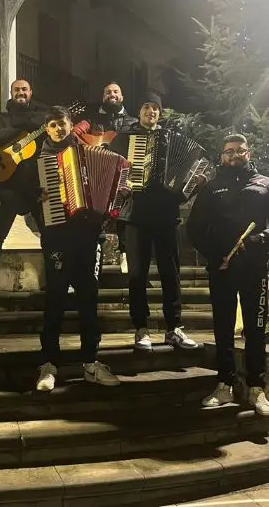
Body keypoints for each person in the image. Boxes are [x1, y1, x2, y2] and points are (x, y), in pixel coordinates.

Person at [32, 106, 121, 392]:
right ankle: (49, 363)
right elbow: (20, 197)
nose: (59, 129)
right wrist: (37, 197)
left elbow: (112, 185)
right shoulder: (39, 159)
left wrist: (119, 194)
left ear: (71, 126)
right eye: (53, 125)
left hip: (87, 236)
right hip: (57, 236)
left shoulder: (88, 151)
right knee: (55, 299)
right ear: (47, 128)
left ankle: (90, 361)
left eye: (63, 124)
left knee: (88, 298)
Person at [186, 134, 269, 414]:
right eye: (228, 151)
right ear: (222, 156)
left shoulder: (263, 184)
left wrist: (260, 240)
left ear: (249, 152)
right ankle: (225, 382)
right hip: (221, 267)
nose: (234, 155)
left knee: (256, 329)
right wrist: (215, 252)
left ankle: (257, 386)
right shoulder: (211, 188)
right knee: (222, 327)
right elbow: (194, 228)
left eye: (240, 150)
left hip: (255, 267)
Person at [112, 92, 200, 351]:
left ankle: (174, 328)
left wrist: (191, 186)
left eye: (155, 109)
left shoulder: (172, 138)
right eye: (146, 107)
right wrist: (122, 184)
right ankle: (141, 328)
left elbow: (192, 171)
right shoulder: (125, 139)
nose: (151, 112)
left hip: (166, 214)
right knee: (137, 275)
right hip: (136, 215)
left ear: (160, 113)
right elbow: (111, 169)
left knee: (170, 274)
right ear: (139, 111)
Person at [0, 78, 46, 298]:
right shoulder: (2, 117)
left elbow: (54, 128)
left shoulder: (40, 117)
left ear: (31, 92)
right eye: (17, 89)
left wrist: (31, 122)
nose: (21, 92)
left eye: (25, 89)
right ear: (11, 92)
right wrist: (21, 126)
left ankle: (58, 277)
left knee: (49, 233)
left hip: (36, 188)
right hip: (9, 185)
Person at [72, 81, 136, 273]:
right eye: (108, 92)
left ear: (122, 96)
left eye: (116, 91)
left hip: (125, 171)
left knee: (125, 210)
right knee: (97, 212)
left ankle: (125, 254)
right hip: (100, 172)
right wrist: (89, 146)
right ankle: (94, 259)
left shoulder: (132, 122)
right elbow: (74, 133)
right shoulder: (91, 120)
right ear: (103, 97)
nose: (112, 94)